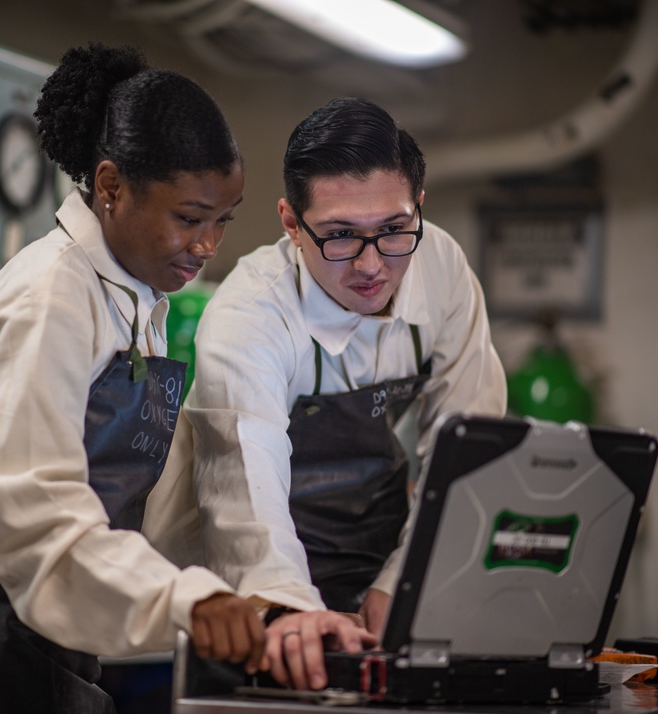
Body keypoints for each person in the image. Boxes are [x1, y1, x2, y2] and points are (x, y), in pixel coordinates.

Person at [0, 44, 369, 714]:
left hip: (44, 644)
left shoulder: (135, 303)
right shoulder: (54, 297)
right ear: (111, 186)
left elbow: (166, 505)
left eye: (222, 220)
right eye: (189, 218)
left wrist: (276, 598)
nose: (209, 245)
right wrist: (186, 600)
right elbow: (35, 517)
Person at [152, 97, 506, 674]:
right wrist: (287, 605)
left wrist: (405, 578)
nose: (371, 265)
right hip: (251, 572)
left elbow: (470, 443)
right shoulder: (250, 315)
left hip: (378, 539)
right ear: (291, 222)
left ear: (419, 206)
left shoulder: (441, 268)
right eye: (340, 235)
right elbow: (247, 475)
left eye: (394, 229)